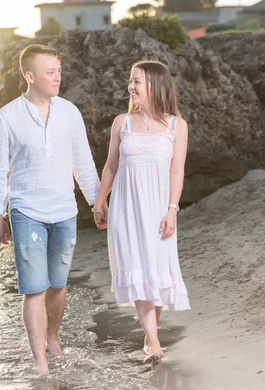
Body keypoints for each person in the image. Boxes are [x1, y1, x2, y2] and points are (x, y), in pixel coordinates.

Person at [0, 44, 100, 375]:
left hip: (64, 209)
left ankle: (53, 336)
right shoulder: (6, 118)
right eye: (50, 72)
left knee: (59, 284)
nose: (57, 77)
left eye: (59, 71)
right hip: (26, 211)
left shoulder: (70, 112)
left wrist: (96, 202)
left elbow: (83, 162)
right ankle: (40, 360)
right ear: (29, 76)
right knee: (34, 287)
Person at [93, 60, 191, 362]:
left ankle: (151, 338)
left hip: (159, 209)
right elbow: (111, 166)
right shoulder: (121, 122)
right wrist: (99, 201)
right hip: (126, 208)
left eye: (137, 81)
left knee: (157, 273)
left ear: (155, 86)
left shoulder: (177, 126)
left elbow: (177, 171)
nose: (130, 87)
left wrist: (172, 210)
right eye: (130, 81)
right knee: (137, 268)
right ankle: (153, 340)